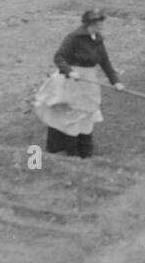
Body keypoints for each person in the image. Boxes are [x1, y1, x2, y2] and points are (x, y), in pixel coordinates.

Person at [34, 9, 124, 159]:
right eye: (97, 23)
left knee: (88, 113)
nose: (100, 25)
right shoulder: (74, 37)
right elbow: (59, 57)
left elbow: (105, 62)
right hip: (71, 81)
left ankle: (85, 152)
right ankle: (71, 152)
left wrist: (116, 82)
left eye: (101, 22)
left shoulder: (98, 39)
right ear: (89, 23)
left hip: (89, 81)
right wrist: (70, 71)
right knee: (73, 114)